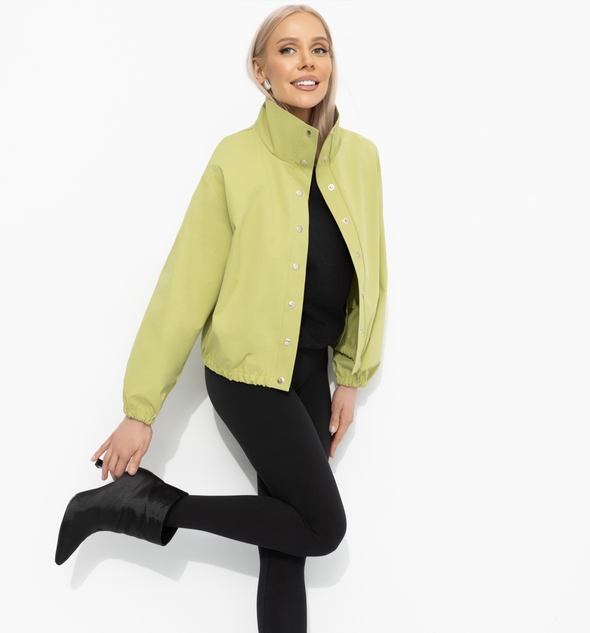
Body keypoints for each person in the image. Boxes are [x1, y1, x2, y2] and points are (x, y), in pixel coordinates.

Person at [56, 5, 387, 632]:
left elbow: (372, 275)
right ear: (261, 71)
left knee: (286, 549)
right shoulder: (234, 159)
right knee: (323, 527)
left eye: (319, 48)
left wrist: (350, 374)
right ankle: (148, 502)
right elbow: (185, 284)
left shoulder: (361, 159)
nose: (308, 62)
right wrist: (140, 410)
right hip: (247, 375)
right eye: (288, 50)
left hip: (310, 371)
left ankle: (138, 502)